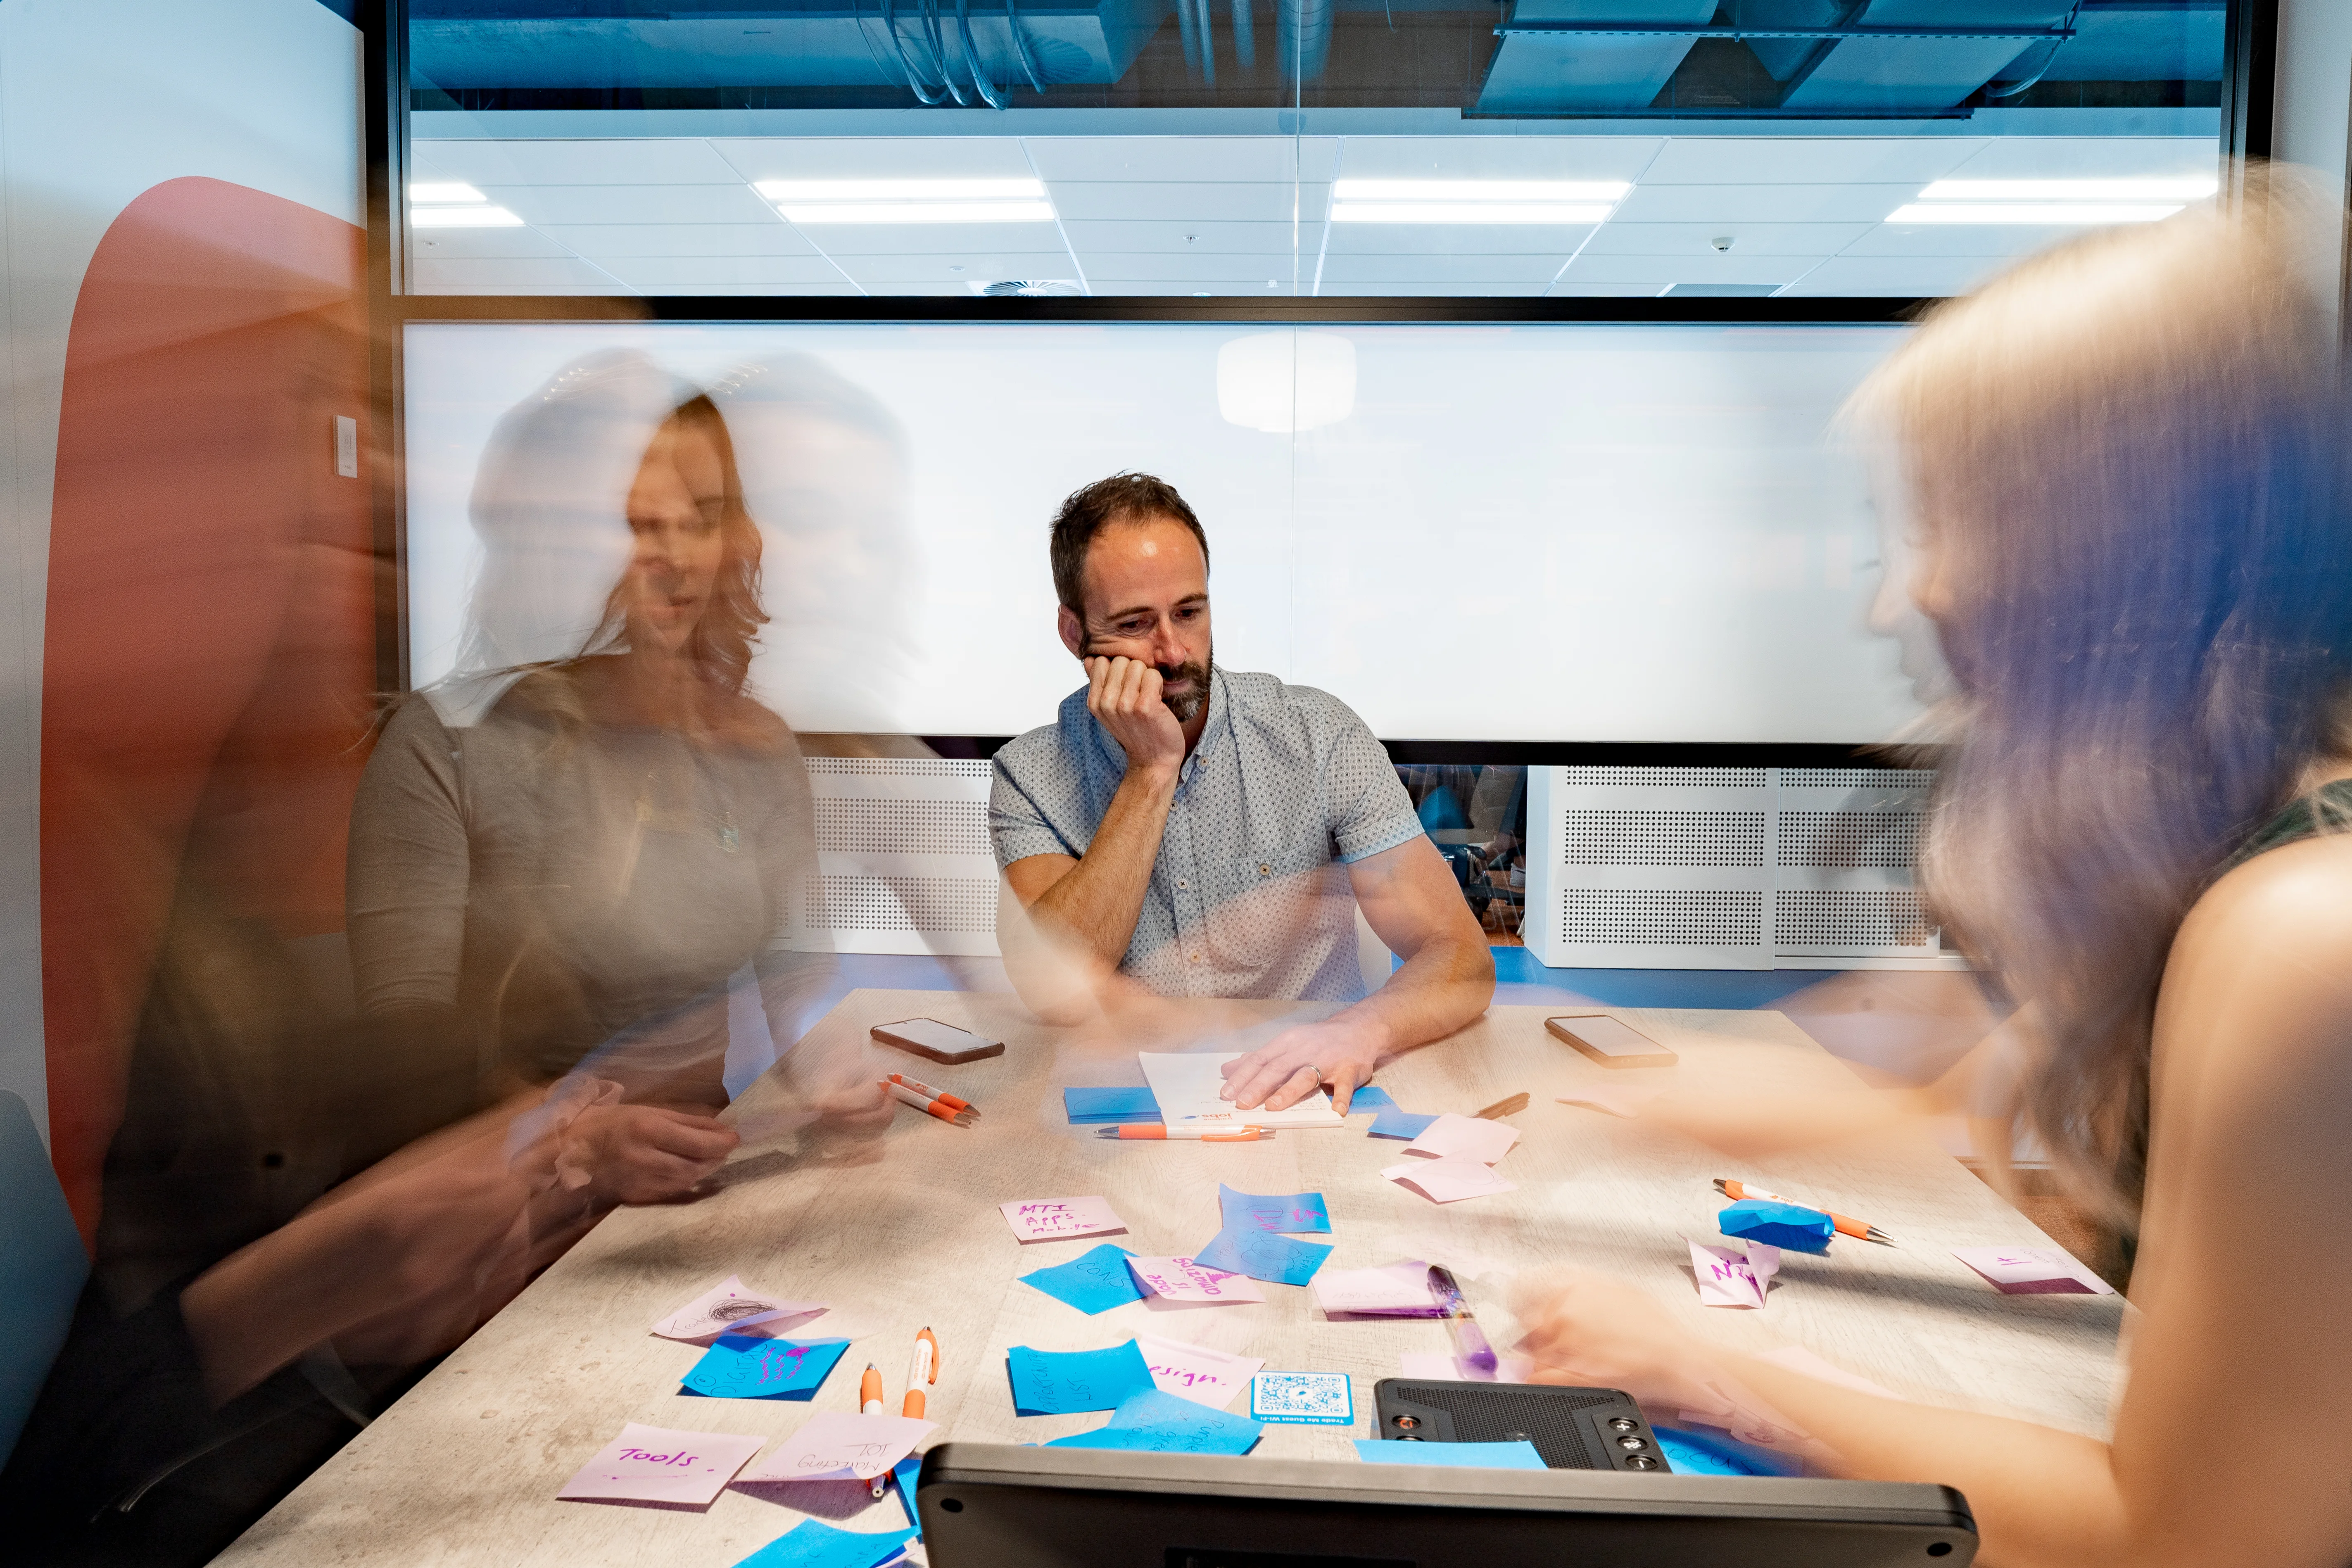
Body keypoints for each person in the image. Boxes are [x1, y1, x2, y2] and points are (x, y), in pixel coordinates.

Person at [1511, 177, 2352, 1568]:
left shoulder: (2295, 940)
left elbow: (2187, 1540)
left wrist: (1689, 1363)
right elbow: (1920, 1073)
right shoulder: (2210, 870)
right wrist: (1579, 1111)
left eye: (1937, 528)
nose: (1891, 600)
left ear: (2096, 560)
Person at [346, 352, 868, 1181]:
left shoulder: (756, 747)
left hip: (694, 1187)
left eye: (697, 518)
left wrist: (833, 1067)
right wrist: (571, 1136)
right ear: (556, 542)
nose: (675, 558)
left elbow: (795, 970)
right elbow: (407, 1070)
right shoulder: (442, 744)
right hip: (501, 1222)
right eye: (634, 522)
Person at [989, 472, 1493, 1113]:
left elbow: (1460, 957)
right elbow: (1055, 992)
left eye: (1189, 613)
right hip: (1130, 1099)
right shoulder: (1028, 775)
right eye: (1135, 623)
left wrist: (1358, 1030)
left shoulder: (1319, 737)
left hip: (1314, 1089)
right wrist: (1150, 773)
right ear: (1074, 634)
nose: (1172, 651)